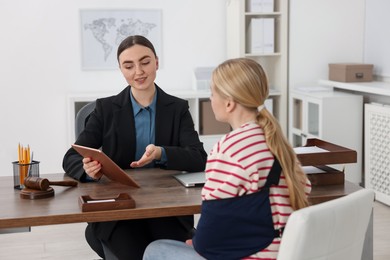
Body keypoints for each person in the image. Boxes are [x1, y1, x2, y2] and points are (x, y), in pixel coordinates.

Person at [142, 58, 312, 260]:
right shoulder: (279, 142)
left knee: (156, 249)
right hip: (285, 250)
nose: (211, 99)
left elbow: (211, 226)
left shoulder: (229, 148)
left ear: (229, 103)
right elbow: (301, 190)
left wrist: (198, 244)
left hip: (251, 254)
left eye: (213, 93)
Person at [62, 35, 207, 260]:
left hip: (165, 210)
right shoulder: (105, 109)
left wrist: (162, 153)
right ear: (121, 69)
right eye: (129, 66)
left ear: (156, 62)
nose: (138, 71)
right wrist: (88, 171)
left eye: (145, 62)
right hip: (119, 212)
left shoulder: (177, 108)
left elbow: (199, 157)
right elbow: (71, 156)